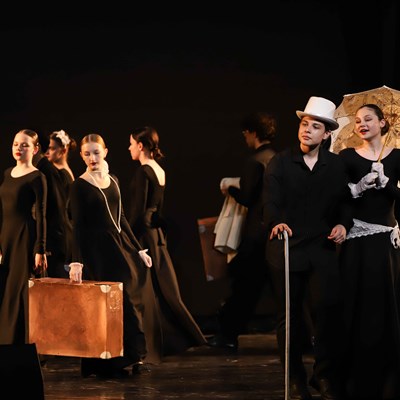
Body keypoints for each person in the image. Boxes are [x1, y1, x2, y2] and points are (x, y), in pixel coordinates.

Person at [263, 97, 353, 400]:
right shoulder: (280, 162)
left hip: (320, 247)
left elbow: (345, 204)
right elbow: (270, 200)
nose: (307, 130)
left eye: (315, 126)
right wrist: (275, 221)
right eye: (304, 124)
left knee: (326, 312)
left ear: (326, 134)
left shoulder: (336, 165)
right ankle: (294, 379)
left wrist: (343, 224)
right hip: (287, 246)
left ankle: (323, 376)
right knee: (289, 317)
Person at [68, 133, 157, 379]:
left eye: (96, 152)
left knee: (128, 299)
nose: (92, 158)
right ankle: (108, 362)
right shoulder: (79, 185)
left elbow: (122, 218)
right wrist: (76, 261)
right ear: (81, 156)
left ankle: (137, 356)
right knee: (104, 306)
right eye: (87, 154)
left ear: (105, 152)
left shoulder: (113, 180)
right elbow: (77, 226)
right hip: (96, 251)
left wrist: (138, 248)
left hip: (119, 246)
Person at [127, 126, 207, 357]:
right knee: (160, 290)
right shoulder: (159, 170)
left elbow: (139, 212)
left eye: (131, 144)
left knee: (146, 290)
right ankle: (168, 340)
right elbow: (157, 210)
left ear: (140, 146)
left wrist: (127, 238)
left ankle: (153, 342)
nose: (129, 148)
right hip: (155, 235)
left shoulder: (143, 171)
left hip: (143, 235)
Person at [338, 104, 400, 400]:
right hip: (358, 241)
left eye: (368, 119)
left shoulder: (397, 156)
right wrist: (358, 187)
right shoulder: (347, 157)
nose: (362, 124)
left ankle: (389, 374)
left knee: (386, 303)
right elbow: (337, 198)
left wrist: (388, 184)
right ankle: (357, 374)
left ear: (382, 123)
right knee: (358, 302)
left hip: (387, 242)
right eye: (358, 121)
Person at [207, 111, 278, 351]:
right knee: (278, 290)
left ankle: (227, 335)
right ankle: (305, 337)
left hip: (256, 235)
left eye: (245, 133)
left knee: (243, 288)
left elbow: (247, 197)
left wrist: (230, 189)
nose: (245, 137)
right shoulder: (276, 159)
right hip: (273, 233)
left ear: (253, 133)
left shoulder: (255, 161)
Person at [0, 129, 48, 344]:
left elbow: (42, 214)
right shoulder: (7, 173)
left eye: (25, 145)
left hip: (24, 236)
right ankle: (6, 341)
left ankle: (21, 343)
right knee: (6, 289)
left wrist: (40, 248)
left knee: (20, 290)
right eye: (15, 144)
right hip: (6, 237)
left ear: (35, 149)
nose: (18, 148)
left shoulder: (37, 177)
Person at [34, 130, 76, 277]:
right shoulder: (57, 171)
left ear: (63, 151)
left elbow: (60, 207)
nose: (47, 152)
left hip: (60, 232)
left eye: (52, 148)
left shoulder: (60, 173)